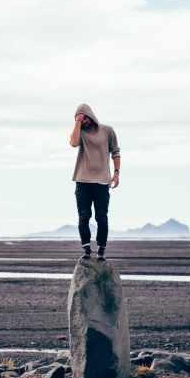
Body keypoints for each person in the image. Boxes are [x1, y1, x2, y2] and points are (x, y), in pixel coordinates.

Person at [69, 103, 120, 261]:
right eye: (80, 119)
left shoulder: (107, 130)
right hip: (82, 181)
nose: (83, 121)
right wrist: (77, 122)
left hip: (102, 182)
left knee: (101, 217)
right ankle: (86, 249)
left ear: (90, 115)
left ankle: (101, 250)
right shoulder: (80, 133)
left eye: (84, 118)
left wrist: (116, 173)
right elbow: (73, 143)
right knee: (84, 217)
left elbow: (116, 152)